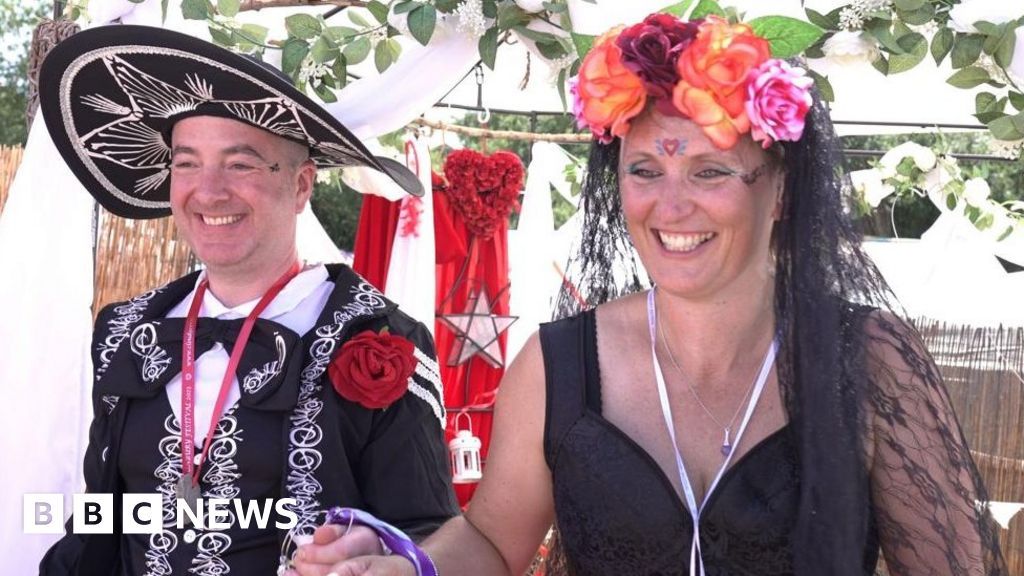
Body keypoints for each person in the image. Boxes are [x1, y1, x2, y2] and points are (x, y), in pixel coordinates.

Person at [291, 12, 1006, 576]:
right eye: (644, 171)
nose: (670, 207)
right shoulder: (558, 363)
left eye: (710, 172)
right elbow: (491, 545)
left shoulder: (869, 359)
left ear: (781, 189)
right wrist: (403, 565)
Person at [36, 24, 459, 575]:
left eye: (240, 164)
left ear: (303, 184)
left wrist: (379, 555)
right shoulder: (125, 330)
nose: (208, 190)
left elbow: (427, 533)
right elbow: (105, 521)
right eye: (186, 163)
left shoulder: (381, 342)